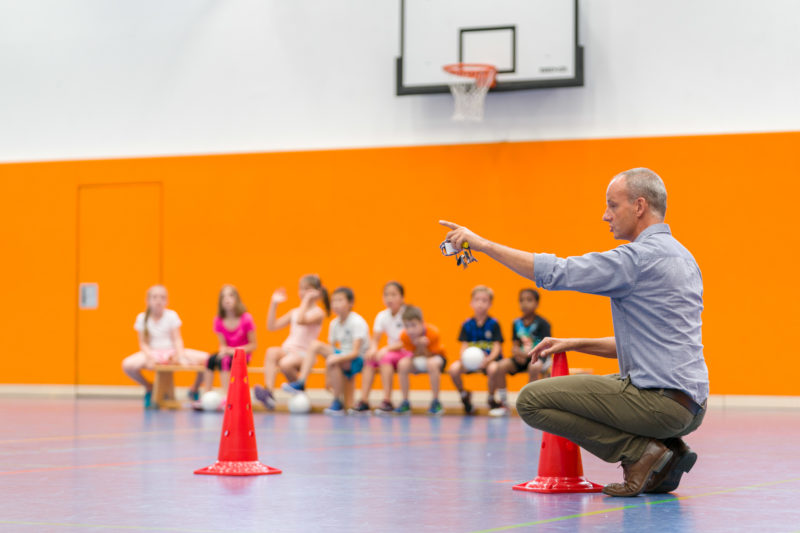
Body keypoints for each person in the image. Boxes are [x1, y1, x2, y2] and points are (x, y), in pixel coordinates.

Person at [439, 167, 708, 497]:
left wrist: (481, 244)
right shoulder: (684, 257)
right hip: (691, 406)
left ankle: (640, 453)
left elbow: (556, 272)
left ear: (639, 207)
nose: (605, 215)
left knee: (532, 400)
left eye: (612, 205)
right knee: (580, 390)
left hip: (659, 405)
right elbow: (649, 344)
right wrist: (574, 343)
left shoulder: (636, 259)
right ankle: (668, 449)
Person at [122, 285, 208, 408]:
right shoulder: (142, 318)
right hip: (152, 352)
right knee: (127, 365)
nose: (158, 300)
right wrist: (150, 357)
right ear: (148, 300)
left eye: (162, 297)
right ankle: (149, 387)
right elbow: (143, 343)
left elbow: (177, 339)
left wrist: (180, 355)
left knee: (208, 359)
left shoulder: (171, 316)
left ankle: (194, 389)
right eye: (155, 297)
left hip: (172, 351)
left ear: (166, 301)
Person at [290, 287, 369, 416]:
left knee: (332, 359)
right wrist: (328, 376)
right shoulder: (334, 323)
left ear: (350, 303)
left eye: (340, 300)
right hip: (342, 356)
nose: (336, 304)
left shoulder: (357, 322)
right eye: (333, 301)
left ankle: (337, 401)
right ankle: (302, 381)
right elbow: (333, 350)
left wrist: (335, 359)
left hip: (357, 360)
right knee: (316, 346)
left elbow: (355, 352)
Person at [254, 274, 328, 410]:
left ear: (316, 292)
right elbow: (271, 326)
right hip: (289, 350)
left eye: (308, 289)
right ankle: (269, 392)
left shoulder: (318, 313)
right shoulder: (294, 312)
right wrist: (274, 303)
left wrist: (305, 301)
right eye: (301, 289)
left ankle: (300, 389)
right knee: (271, 352)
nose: (303, 292)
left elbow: (301, 320)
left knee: (285, 363)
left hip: (305, 354)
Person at [487, 288, 552, 417]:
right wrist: (517, 353)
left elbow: (545, 347)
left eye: (529, 300)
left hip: (539, 357)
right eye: (521, 300)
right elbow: (515, 344)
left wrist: (526, 355)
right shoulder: (516, 323)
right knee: (500, 366)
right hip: (521, 358)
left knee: (534, 367)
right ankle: (504, 404)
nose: (525, 303)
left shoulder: (543, 323)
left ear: (537, 303)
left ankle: (529, 404)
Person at [349, 281, 408, 415]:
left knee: (385, 358)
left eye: (394, 294)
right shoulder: (382, 315)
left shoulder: (407, 314)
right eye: (386, 295)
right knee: (370, 359)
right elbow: (375, 339)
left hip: (404, 352)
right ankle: (364, 400)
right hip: (390, 351)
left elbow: (407, 342)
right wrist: (373, 349)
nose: (389, 298)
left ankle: (387, 400)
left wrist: (386, 349)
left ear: (402, 298)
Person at [447, 285, 504, 414]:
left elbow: (497, 345)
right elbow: (464, 345)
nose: (480, 304)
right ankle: (464, 395)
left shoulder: (494, 323)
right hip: (470, 361)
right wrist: (463, 359)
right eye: (477, 300)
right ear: (471, 303)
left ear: (490, 304)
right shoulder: (467, 324)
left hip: (488, 360)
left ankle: (490, 397)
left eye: (484, 300)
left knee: (494, 369)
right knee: (453, 369)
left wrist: (489, 359)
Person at [196, 285, 257, 406]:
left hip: (242, 356)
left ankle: (227, 396)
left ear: (237, 299)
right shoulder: (218, 320)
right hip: (228, 353)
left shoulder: (246, 319)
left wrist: (234, 350)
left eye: (230, 295)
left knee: (224, 360)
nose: (227, 299)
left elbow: (253, 345)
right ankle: (206, 394)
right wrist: (224, 350)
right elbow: (222, 344)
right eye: (223, 297)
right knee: (210, 359)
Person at [395, 305, 446, 416]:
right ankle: (405, 402)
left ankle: (436, 401)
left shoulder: (433, 332)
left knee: (431, 364)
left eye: (413, 325)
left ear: (422, 323)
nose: (410, 330)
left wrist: (423, 346)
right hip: (417, 358)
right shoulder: (404, 336)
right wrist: (419, 346)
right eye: (407, 326)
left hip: (435, 357)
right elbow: (412, 356)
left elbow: (431, 355)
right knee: (402, 364)